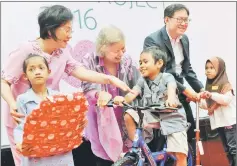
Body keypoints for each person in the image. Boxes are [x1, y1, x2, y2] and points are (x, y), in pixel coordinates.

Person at [1, 5, 132, 166]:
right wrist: (12, 104)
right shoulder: (25, 50)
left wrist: (109, 79)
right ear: (50, 30)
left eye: (71, 30)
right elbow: (4, 81)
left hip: (51, 118)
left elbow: (78, 70)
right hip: (23, 119)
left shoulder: (62, 52)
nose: (70, 35)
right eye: (66, 30)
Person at [114, 46, 189, 166]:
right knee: (129, 114)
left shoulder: (167, 77)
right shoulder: (142, 80)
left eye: (145, 62)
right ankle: (137, 150)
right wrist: (122, 99)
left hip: (172, 118)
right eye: (140, 62)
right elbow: (133, 93)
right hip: (152, 115)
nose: (141, 65)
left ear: (159, 63)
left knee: (179, 153)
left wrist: (170, 98)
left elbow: (171, 87)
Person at [80, 25, 141, 166]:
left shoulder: (127, 60)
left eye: (123, 49)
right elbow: (87, 87)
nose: (121, 53)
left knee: (128, 157)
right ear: (103, 48)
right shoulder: (89, 60)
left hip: (124, 117)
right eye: (116, 51)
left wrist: (127, 98)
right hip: (100, 118)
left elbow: (137, 86)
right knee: (104, 157)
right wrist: (99, 94)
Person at [143, 3, 204, 143]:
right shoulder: (153, 40)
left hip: (180, 92)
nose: (184, 23)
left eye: (186, 20)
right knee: (166, 141)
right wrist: (187, 92)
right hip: (162, 95)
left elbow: (187, 70)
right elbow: (159, 73)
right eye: (180, 19)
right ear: (166, 19)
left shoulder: (185, 39)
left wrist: (200, 89)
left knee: (190, 133)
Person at [14, 54, 75, 166]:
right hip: (36, 153)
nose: (37, 72)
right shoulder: (22, 99)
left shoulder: (59, 97)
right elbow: (20, 127)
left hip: (59, 151)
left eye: (41, 68)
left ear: (49, 71)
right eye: (31, 69)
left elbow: (67, 123)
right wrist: (20, 143)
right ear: (25, 75)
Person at [198, 57, 236, 166]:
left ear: (219, 69)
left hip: (230, 123)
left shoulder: (226, 84)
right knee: (227, 150)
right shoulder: (209, 86)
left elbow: (226, 100)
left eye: (212, 68)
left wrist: (211, 95)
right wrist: (197, 100)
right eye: (206, 68)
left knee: (233, 149)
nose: (208, 70)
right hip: (220, 124)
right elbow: (208, 105)